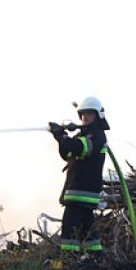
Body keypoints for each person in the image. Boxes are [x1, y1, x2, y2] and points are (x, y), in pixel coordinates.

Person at [49, 96, 110, 256]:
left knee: (70, 227)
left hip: (81, 192)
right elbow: (67, 153)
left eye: (89, 114)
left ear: (98, 115)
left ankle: (69, 259)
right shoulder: (83, 136)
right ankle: (96, 257)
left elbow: (80, 148)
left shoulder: (97, 135)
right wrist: (61, 137)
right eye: (83, 115)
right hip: (82, 193)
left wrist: (63, 137)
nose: (85, 118)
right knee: (87, 228)